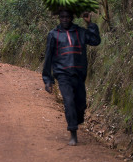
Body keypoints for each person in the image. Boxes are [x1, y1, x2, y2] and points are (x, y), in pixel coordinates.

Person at [42, 9, 101, 146]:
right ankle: (73, 133)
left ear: (72, 18)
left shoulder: (80, 32)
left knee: (80, 104)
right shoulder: (53, 34)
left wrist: (90, 24)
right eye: (62, 17)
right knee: (68, 102)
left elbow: (95, 41)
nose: (65, 19)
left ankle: (77, 119)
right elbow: (48, 58)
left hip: (79, 74)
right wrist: (48, 80)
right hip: (62, 75)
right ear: (59, 18)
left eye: (67, 17)